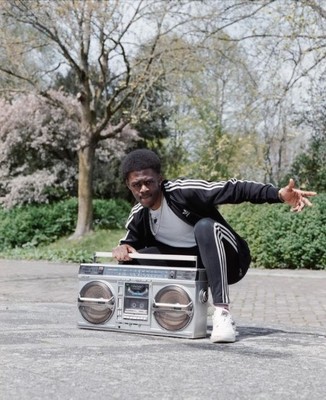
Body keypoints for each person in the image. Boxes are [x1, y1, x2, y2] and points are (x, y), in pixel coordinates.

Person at [112, 149, 317, 343]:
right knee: (134, 258)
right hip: (192, 267)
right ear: (128, 186)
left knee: (204, 227)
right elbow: (130, 241)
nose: (143, 189)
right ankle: (145, 312)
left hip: (230, 259)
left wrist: (278, 195)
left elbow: (234, 189)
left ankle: (222, 313)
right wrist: (123, 248)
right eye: (136, 185)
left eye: (149, 182)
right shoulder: (139, 214)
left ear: (160, 179)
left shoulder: (183, 191)